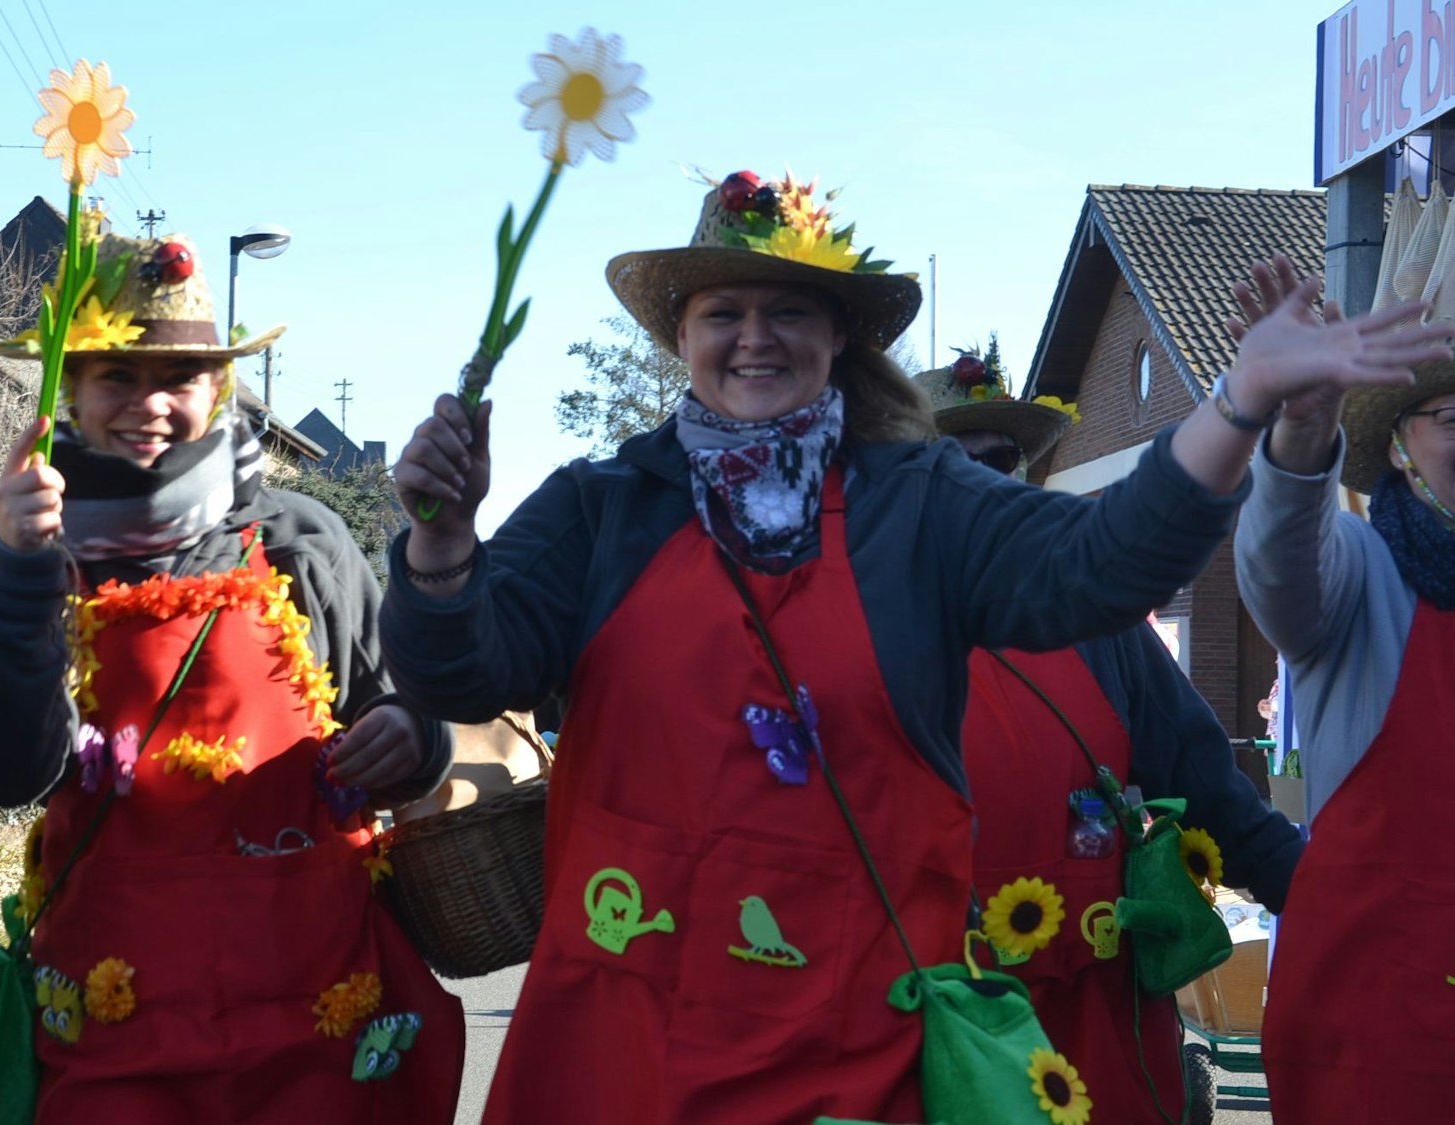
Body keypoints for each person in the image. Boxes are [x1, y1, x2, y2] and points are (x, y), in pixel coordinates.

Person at [380, 167, 1449, 1124]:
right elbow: (463, 670)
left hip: (850, 1041)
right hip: (620, 1034)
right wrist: (438, 543)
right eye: (725, 312)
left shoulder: (918, 502)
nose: (755, 336)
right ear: (680, 338)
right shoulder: (595, 509)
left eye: (789, 310)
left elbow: (1105, 562)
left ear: (837, 336)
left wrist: (1240, 399)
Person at [0, 233, 463, 1121]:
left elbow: (403, 710)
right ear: (67, 389)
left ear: (217, 389)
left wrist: (413, 740)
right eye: (116, 377)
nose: (148, 404)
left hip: (312, 1011)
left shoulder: (301, 538)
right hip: (110, 1025)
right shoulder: (27, 549)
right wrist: (15, 566)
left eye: (178, 379)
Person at [919, 359, 1302, 1123]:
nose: (975, 484)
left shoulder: (1101, 623)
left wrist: (1343, 899)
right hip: (943, 1030)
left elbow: (1216, 797)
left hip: (1102, 1030)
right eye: (945, 463)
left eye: (996, 462)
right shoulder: (868, 622)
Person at [1233, 246, 1455, 1119]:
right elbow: (1280, 561)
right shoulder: (1361, 565)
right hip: (1375, 1014)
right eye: (1453, 418)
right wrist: (1301, 430)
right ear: (1400, 448)